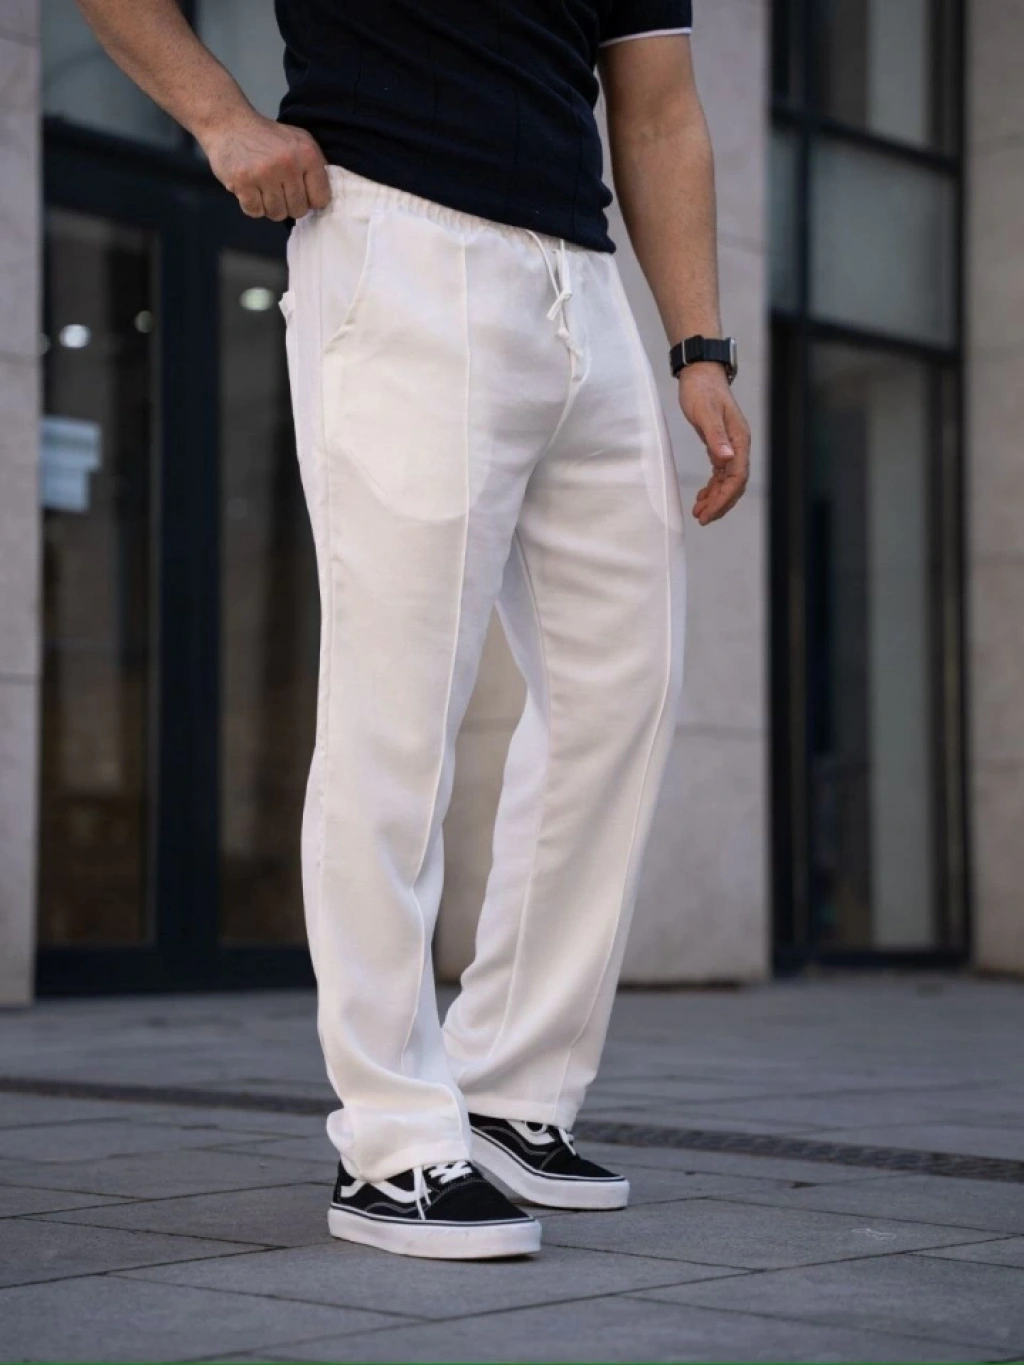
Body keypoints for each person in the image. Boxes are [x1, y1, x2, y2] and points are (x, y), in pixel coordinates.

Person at [76, 0, 750, 1261]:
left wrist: (697, 347)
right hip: (399, 240)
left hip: (584, 284)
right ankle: (391, 1141)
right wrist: (222, 120)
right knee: (399, 707)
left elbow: (658, 109)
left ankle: (509, 1091)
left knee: (622, 695)